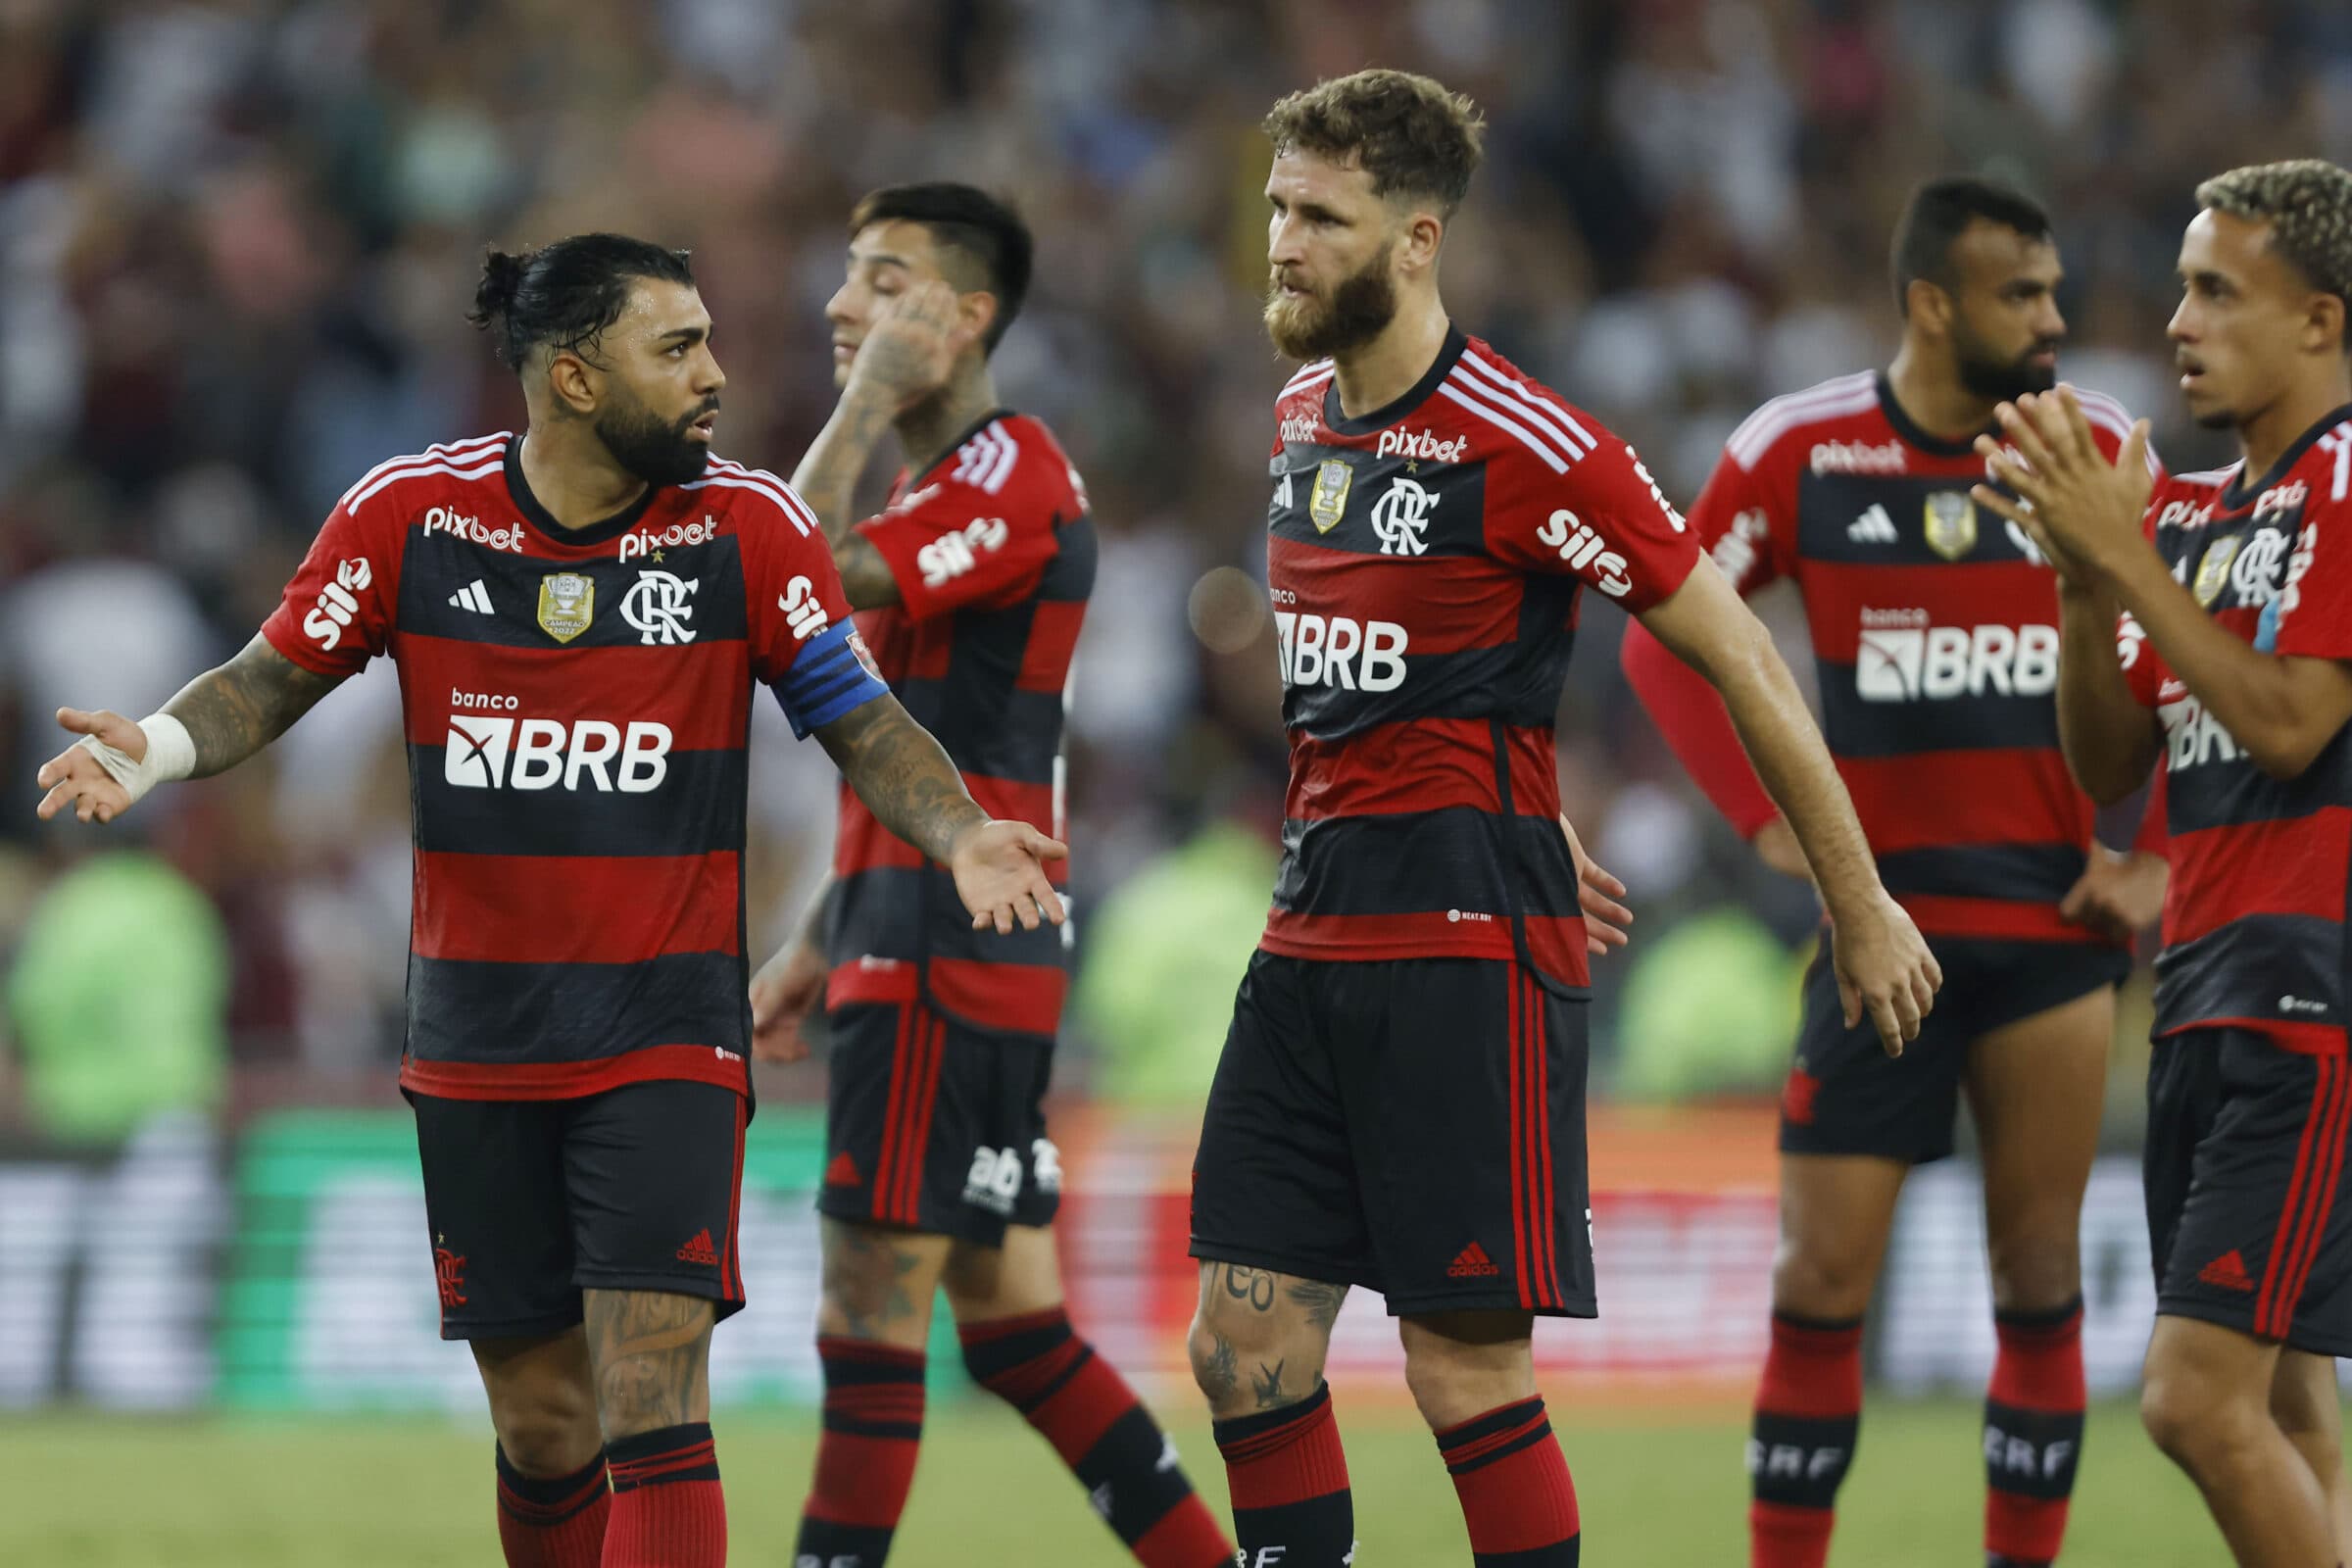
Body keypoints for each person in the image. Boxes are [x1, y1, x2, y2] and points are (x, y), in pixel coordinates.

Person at [33, 232, 1065, 1568]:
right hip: (475, 1043)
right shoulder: (410, 515)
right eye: (678, 347)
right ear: (574, 378)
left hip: (664, 1034)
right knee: (540, 1421)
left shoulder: (750, 527)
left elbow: (864, 725)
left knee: (653, 1395)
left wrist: (967, 833)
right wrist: (155, 749)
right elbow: (265, 679)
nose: (717, 375)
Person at [1183, 69, 1938, 1568]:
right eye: (1276, 208)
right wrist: (1517, 790)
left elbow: (1738, 655)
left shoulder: (1529, 438)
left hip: (1462, 961)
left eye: (1318, 217)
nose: (1281, 242)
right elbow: (1385, 680)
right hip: (1309, 942)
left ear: (1416, 238)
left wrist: (1862, 903)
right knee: (1239, 1350)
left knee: (1462, 1370)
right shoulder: (1295, 418)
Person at [1618, 176, 2169, 1568]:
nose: (2054, 319)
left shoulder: (2098, 447)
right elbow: (1656, 641)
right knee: (1817, 1288)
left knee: (2041, 1289)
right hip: (1883, 942)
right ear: (1933, 302)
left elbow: (2182, 657)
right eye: (2021, 295)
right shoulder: (1799, 450)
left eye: (2053, 292)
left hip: (2052, 930)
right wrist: (1774, 829)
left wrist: (2154, 853)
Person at [746, 183, 1233, 1568]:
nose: (846, 307)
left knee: (866, 1318)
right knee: (1017, 1333)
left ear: (965, 319)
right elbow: (948, 756)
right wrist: (818, 932)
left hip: (946, 950)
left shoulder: (1004, 477)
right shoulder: (953, 487)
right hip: (935, 927)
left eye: (884, 282)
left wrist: (850, 416)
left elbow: (791, 580)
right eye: (847, 277)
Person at [1981, 159, 2352, 1568]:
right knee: (2292, 1406)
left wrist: (2119, 559)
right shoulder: (2191, 519)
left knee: (2195, 1404)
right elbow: (2109, 763)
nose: (2179, 319)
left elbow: (2293, 717)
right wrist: (2088, 580)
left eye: (2217, 290)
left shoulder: (2347, 482)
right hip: (2204, 981)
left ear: (2320, 321)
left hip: (2310, 992)